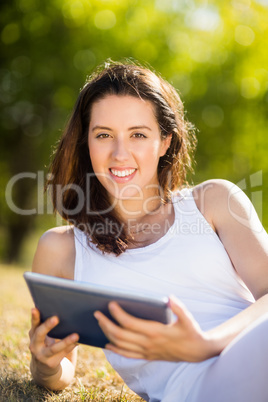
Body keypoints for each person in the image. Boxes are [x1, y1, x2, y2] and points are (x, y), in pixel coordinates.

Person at [28, 61, 268, 402]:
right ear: (86, 142)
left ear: (165, 141)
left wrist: (206, 343)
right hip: (196, 389)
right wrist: (45, 364)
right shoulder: (62, 249)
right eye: (104, 135)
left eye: (138, 134)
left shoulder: (214, 201)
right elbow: (58, 368)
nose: (120, 153)